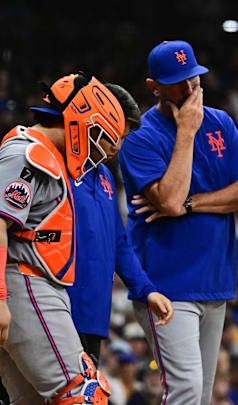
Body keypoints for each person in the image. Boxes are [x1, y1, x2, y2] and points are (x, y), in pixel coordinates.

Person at [119, 40, 238, 405]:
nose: (191, 87)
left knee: (202, 394)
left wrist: (193, 203)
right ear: (154, 87)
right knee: (185, 391)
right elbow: (168, 201)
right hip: (165, 284)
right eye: (179, 81)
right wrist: (187, 132)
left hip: (215, 278)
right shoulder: (139, 137)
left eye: (194, 78)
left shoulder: (221, 122)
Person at [0, 72, 124, 404]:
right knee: (84, 393)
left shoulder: (49, 157)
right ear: (79, 123)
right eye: (99, 137)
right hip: (23, 284)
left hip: (34, 286)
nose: (100, 151)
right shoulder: (28, 154)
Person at [66, 83, 173, 364]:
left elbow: (118, 242)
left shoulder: (104, 176)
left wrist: (146, 289)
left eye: (123, 137)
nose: (118, 146)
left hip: (92, 317)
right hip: (54, 311)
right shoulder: (52, 167)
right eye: (112, 135)